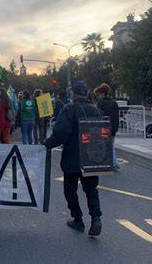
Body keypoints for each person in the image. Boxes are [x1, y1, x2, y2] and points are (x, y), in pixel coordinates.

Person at [45, 81, 103, 236]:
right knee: (91, 189)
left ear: (73, 93)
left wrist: (46, 145)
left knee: (70, 189)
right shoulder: (96, 110)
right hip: (92, 158)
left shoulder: (69, 109)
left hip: (73, 157)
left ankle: (78, 220)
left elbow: (61, 133)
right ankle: (96, 218)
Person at [94, 83, 119, 170]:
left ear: (102, 94)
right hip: (113, 127)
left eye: (97, 95)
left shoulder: (101, 103)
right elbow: (116, 116)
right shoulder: (114, 103)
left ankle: (114, 163)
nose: (97, 97)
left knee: (106, 145)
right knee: (110, 144)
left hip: (104, 127)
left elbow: (99, 116)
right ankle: (109, 162)